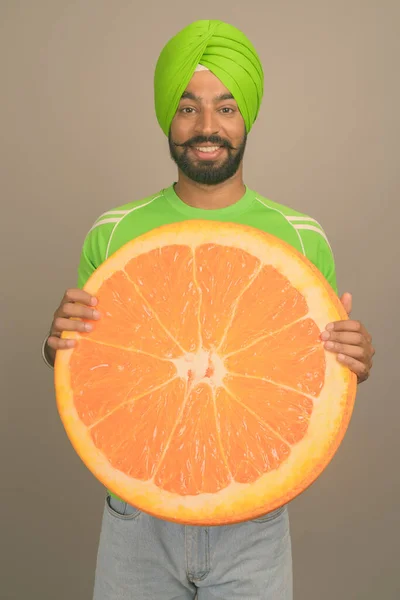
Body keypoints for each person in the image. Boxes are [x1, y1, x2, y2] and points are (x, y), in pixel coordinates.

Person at [42, 19, 374, 600]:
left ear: (248, 117)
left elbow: (299, 380)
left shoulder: (301, 238)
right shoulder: (113, 233)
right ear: (165, 118)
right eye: (187, 107)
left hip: (255, 518)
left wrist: (352, 360)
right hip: (137, 519)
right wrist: (55, 346)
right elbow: (101, 367)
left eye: (226, 108)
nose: (206, 127)